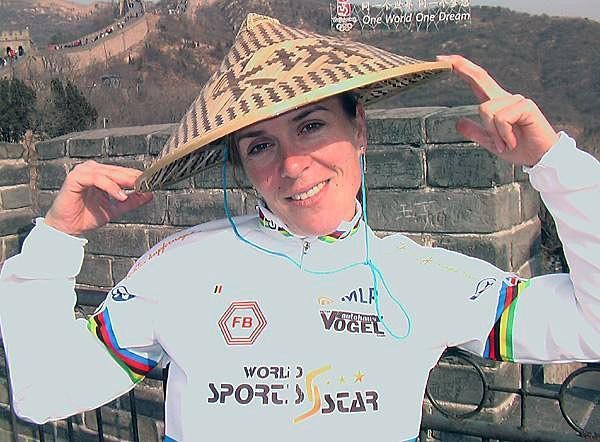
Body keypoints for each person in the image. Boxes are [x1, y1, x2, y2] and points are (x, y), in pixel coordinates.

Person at [0, 13, 598, 442]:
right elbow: (46, 389)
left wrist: (556, 166)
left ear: (359, 129)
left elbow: (588, 327)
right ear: (241, 167)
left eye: (311, 127)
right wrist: (56, 241)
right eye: (261, 146)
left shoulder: (421, 277)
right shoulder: (179, 269)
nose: (291, 165)